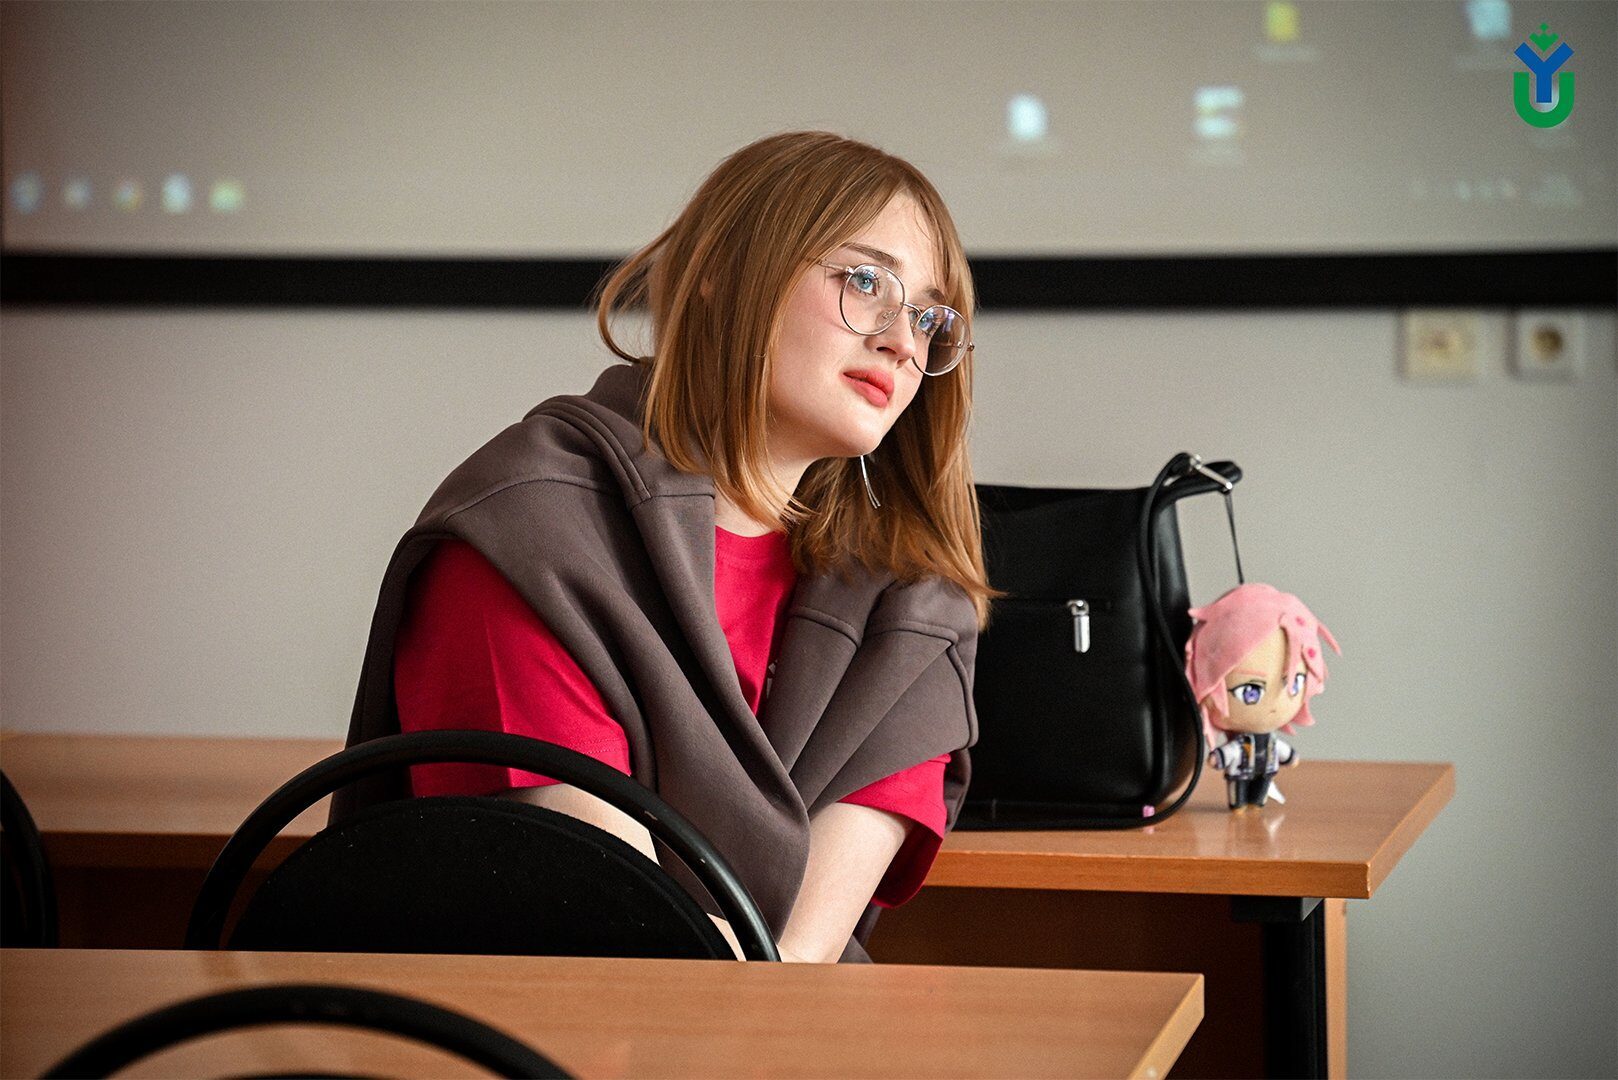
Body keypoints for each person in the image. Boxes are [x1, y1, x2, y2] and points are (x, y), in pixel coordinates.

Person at [333, 130, 1000, 964]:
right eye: (865, 282)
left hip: (779, 1021)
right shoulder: (526, 533)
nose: (903, 341)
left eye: (930, 318)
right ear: (722, 269)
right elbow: (618, 931)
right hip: (538, 1016)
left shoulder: (915, 603)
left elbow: (796, 960)